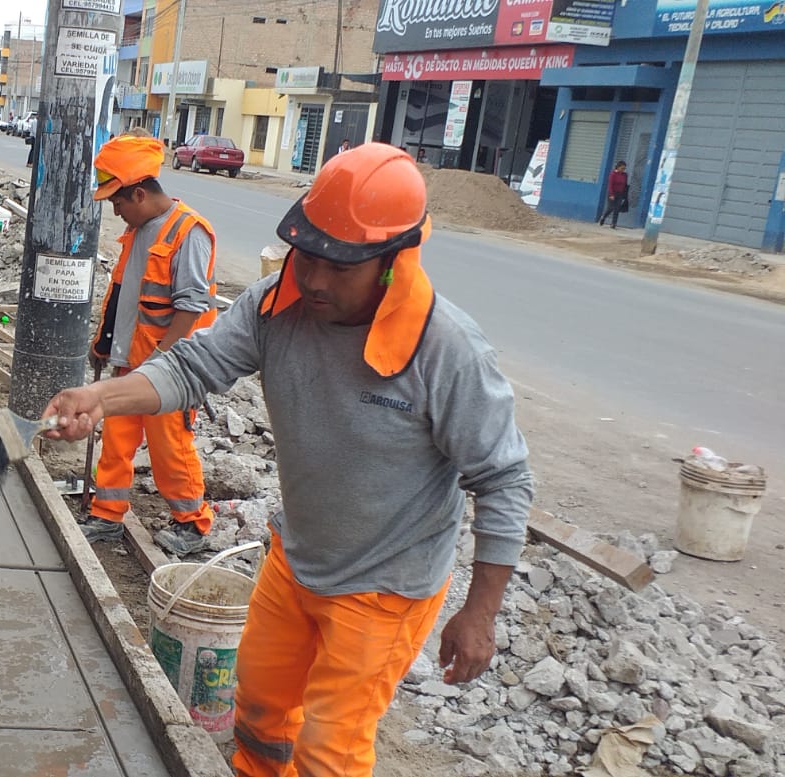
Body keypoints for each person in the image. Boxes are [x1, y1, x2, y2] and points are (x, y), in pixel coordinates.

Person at [42, 142, 534, 777]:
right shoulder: (279, 305)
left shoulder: (446, 350)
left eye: (341, 265)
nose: (317, 279)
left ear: (392, 259)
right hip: (296, 558)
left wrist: (481, 613)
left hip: (384, 587)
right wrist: (100, 397)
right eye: (309, 255)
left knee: (331, 748)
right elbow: (196, 365)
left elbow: (504, 479)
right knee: (261, 707)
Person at [81, 134, 218, 555]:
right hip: (130, 360)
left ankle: (193, 524)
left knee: (169, 445)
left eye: (117, 201)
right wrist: (105, 343)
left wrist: (163, 362)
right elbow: (124, 293)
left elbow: (192, 305)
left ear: (139, 193)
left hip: (168, 369)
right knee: (118, 439)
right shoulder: (137, 230)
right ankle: (107, 514)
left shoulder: (188, 231)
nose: (115, 210)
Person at [600, 160, 629, 228]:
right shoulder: (613, 174)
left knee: (617, 209)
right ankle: (603, 217)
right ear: (618, 167)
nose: (623, 170)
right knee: (611, 208)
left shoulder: (625, 175)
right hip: (612, 193)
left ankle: (613, 223)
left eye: (624, 169)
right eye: (622, 168)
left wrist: (625, 195)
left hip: (620, 194)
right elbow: (610, 185)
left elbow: (625, 185)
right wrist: (611, 194)